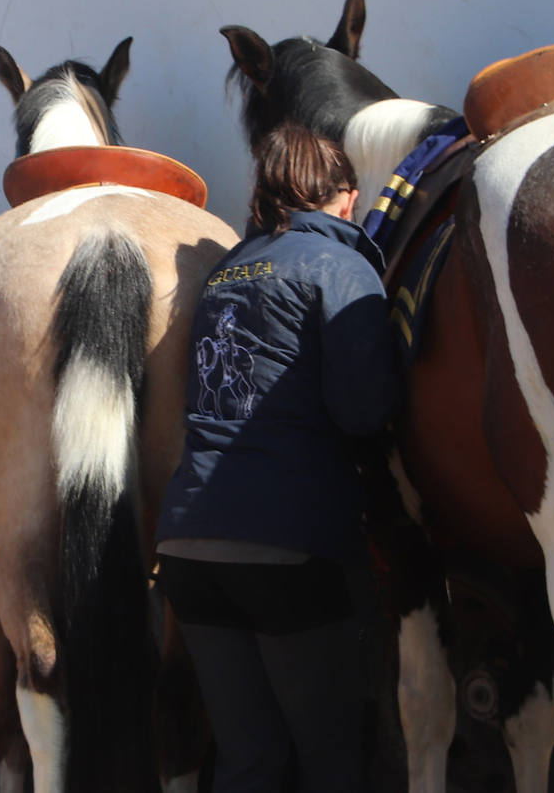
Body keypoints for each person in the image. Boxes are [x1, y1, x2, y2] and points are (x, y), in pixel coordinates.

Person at [154, 121, 402, 793]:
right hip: (288, 548)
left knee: (249, 757)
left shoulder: (228, 268)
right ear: (345, 197)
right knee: (330, 756)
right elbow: (362, 409)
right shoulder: (342, 267)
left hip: (189, 547)